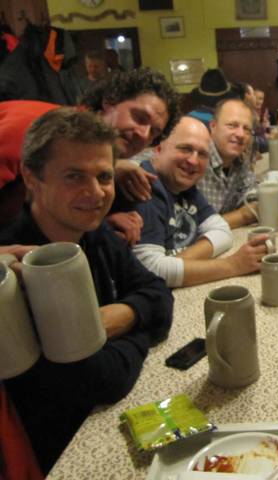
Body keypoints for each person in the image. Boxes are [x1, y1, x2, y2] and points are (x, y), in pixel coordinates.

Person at [0, 108, 173, 474]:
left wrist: (121, 316)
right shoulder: (14, 275)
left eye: (104, 176)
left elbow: (159, 294)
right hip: (63, 458)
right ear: (31, 177)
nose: (95, 193)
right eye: (74, 176)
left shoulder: (93, 233)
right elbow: (101, 381)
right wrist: (139, 331)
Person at [0, 67, 181, 235]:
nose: (143, 135)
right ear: (109, 101)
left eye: (154, 132)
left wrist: (98, 223)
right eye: (139, 117)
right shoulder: (34, 125)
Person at [132, 116, 268, 287]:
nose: (193, 161)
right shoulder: (144, 185)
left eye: (202, 154)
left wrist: (175, 264)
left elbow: (222, 231)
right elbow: (150, 271)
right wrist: (234, 265)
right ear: (158, 149)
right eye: (185, 149)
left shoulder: (185, 186)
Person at [196, 98, 259, 228]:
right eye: (232, 125)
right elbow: (194, 228)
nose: (241, 134)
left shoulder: (240, 160)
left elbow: (255, 202)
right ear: (213, 126)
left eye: (247, 129)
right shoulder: (195, 159)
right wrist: (242, 215)